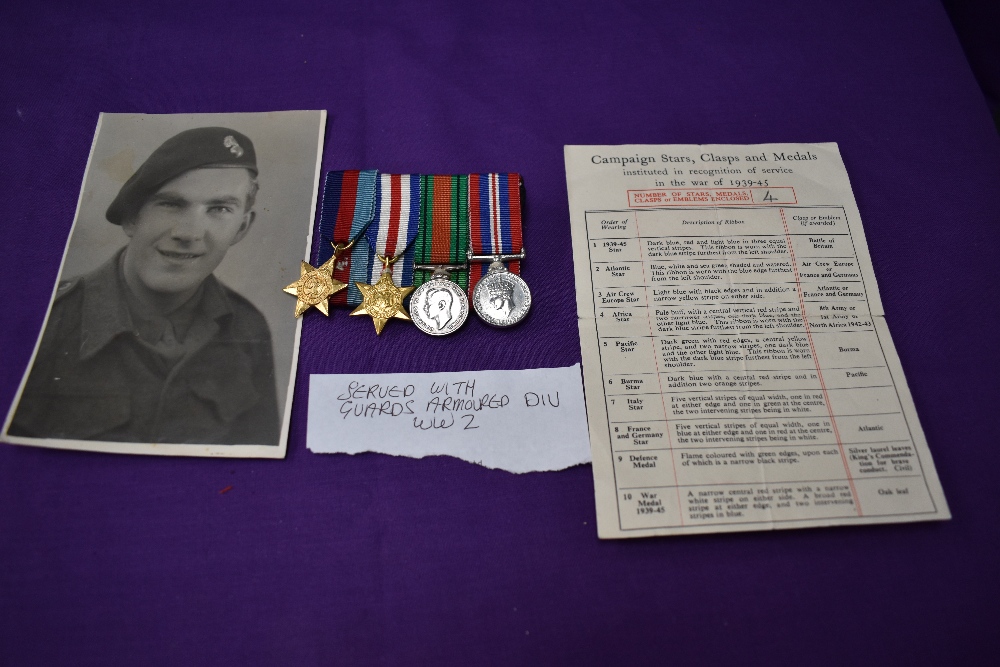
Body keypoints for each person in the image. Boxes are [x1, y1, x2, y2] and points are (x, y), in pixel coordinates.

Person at [8, 127, 280, 445]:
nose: (190, 233)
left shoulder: (247, 327)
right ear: (132, 218)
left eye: (219, 209)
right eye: (172, 204)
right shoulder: (48, 318)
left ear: (241, 228)